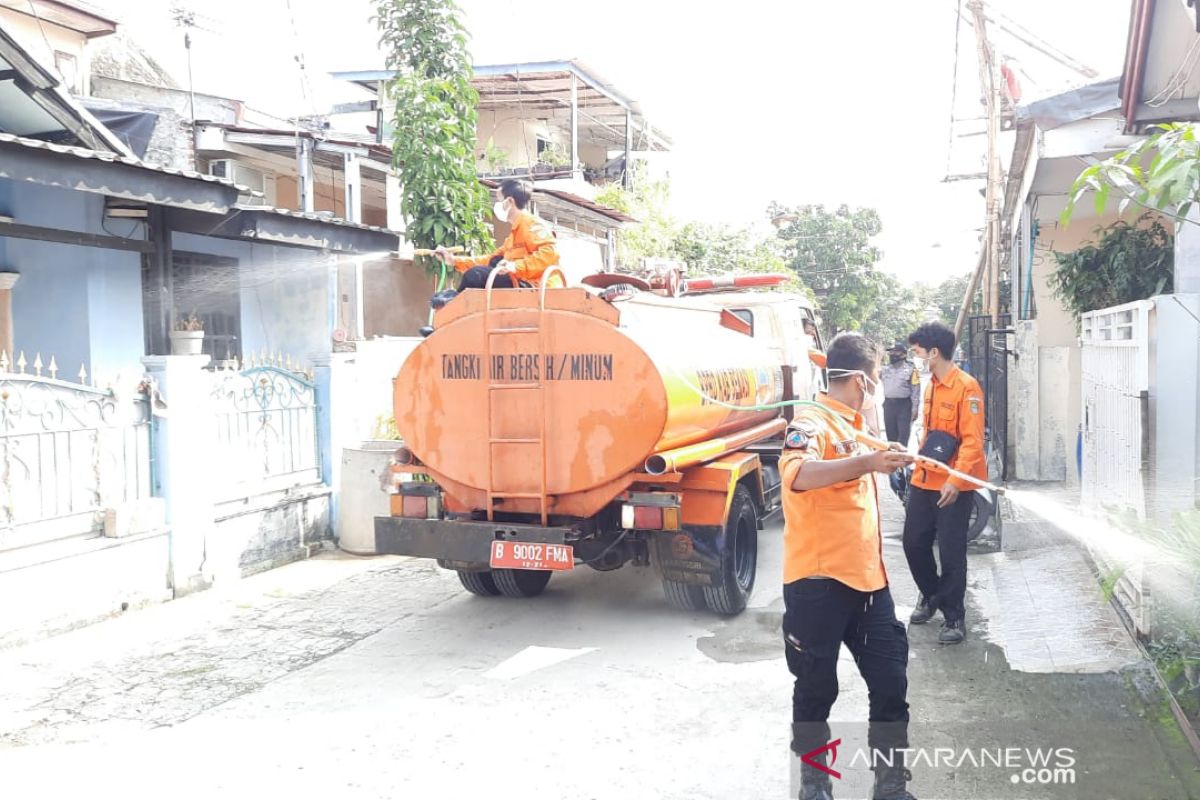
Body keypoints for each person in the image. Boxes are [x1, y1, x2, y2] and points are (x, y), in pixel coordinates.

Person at [780, 332, 917, 800]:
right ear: (861, 379)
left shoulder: (857, 427)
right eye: (877, 377)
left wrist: (881, 454)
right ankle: (815, 782)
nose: (878, 385)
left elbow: (865, 458)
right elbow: (798, 475)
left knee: (891, 682)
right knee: (816, 688)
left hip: (869, 584)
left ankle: (891, 784)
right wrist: (866, 463)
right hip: (818, 584)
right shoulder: (810, 422)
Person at [902, 322, 986, 645]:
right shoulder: (931, 386)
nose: (916, 358)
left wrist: (955, 479)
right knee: (913, 543)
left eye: (917, 352)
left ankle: (953, 617)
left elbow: (972, 442)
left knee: (952, 553)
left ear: (934, 352)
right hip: (925, 478)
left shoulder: (967, 388)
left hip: (955, 486)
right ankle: (932, 595)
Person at [433, 179, 562, 293]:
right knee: (493, 262)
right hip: (519, 281)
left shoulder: (532, 224)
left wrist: (515, 266)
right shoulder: (514, 234)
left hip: (537, 286)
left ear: (510, 201)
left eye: (499, 200)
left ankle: (454, 302)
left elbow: (550, 253)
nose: (497, 205)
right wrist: (454, 260)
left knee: (475, 275)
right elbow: (489, 260)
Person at [880, 342, 921, 449]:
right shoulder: (884, 369)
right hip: (889, 405)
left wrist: (915, 409)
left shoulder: (912, 369)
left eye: (895, 352)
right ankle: (893, 462)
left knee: (903, 436)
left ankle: (902, 461)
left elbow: (916, 390)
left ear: (903, 354)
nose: (892, 354)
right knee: (891, 435)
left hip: (904, 406)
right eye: (891, 352)